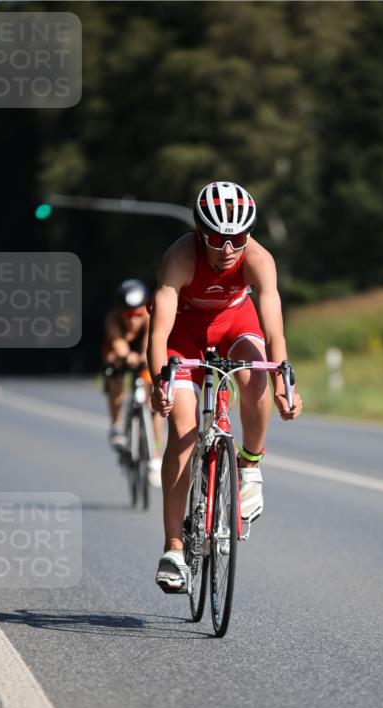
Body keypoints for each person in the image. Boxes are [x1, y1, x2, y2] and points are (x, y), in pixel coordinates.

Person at [147, 180, 302, 591]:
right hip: (183, 333)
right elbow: (159, 332)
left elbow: (273, 329)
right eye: (217, 238)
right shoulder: (180, 257)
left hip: (236, 324)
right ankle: (174, 548)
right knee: (182, 430)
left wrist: (284, 379)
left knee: (257, 377)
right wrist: (160, 380)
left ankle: (250, 465)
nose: (228, 248)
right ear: (201, 233)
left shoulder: (258, 259)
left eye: (237, 237)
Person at [101, 279, 163, 485]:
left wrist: (146, 357)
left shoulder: (150, 315)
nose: (133, 320)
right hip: (119, 353)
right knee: (114, 375)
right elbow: (118, 345)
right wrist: (126, 357)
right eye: (128, 315)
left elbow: (151, 342)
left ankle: (154, 455)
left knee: (154, 398)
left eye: (137, 315)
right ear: (120, 312)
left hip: (143, 352)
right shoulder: (112, 319)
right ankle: (117, 425)